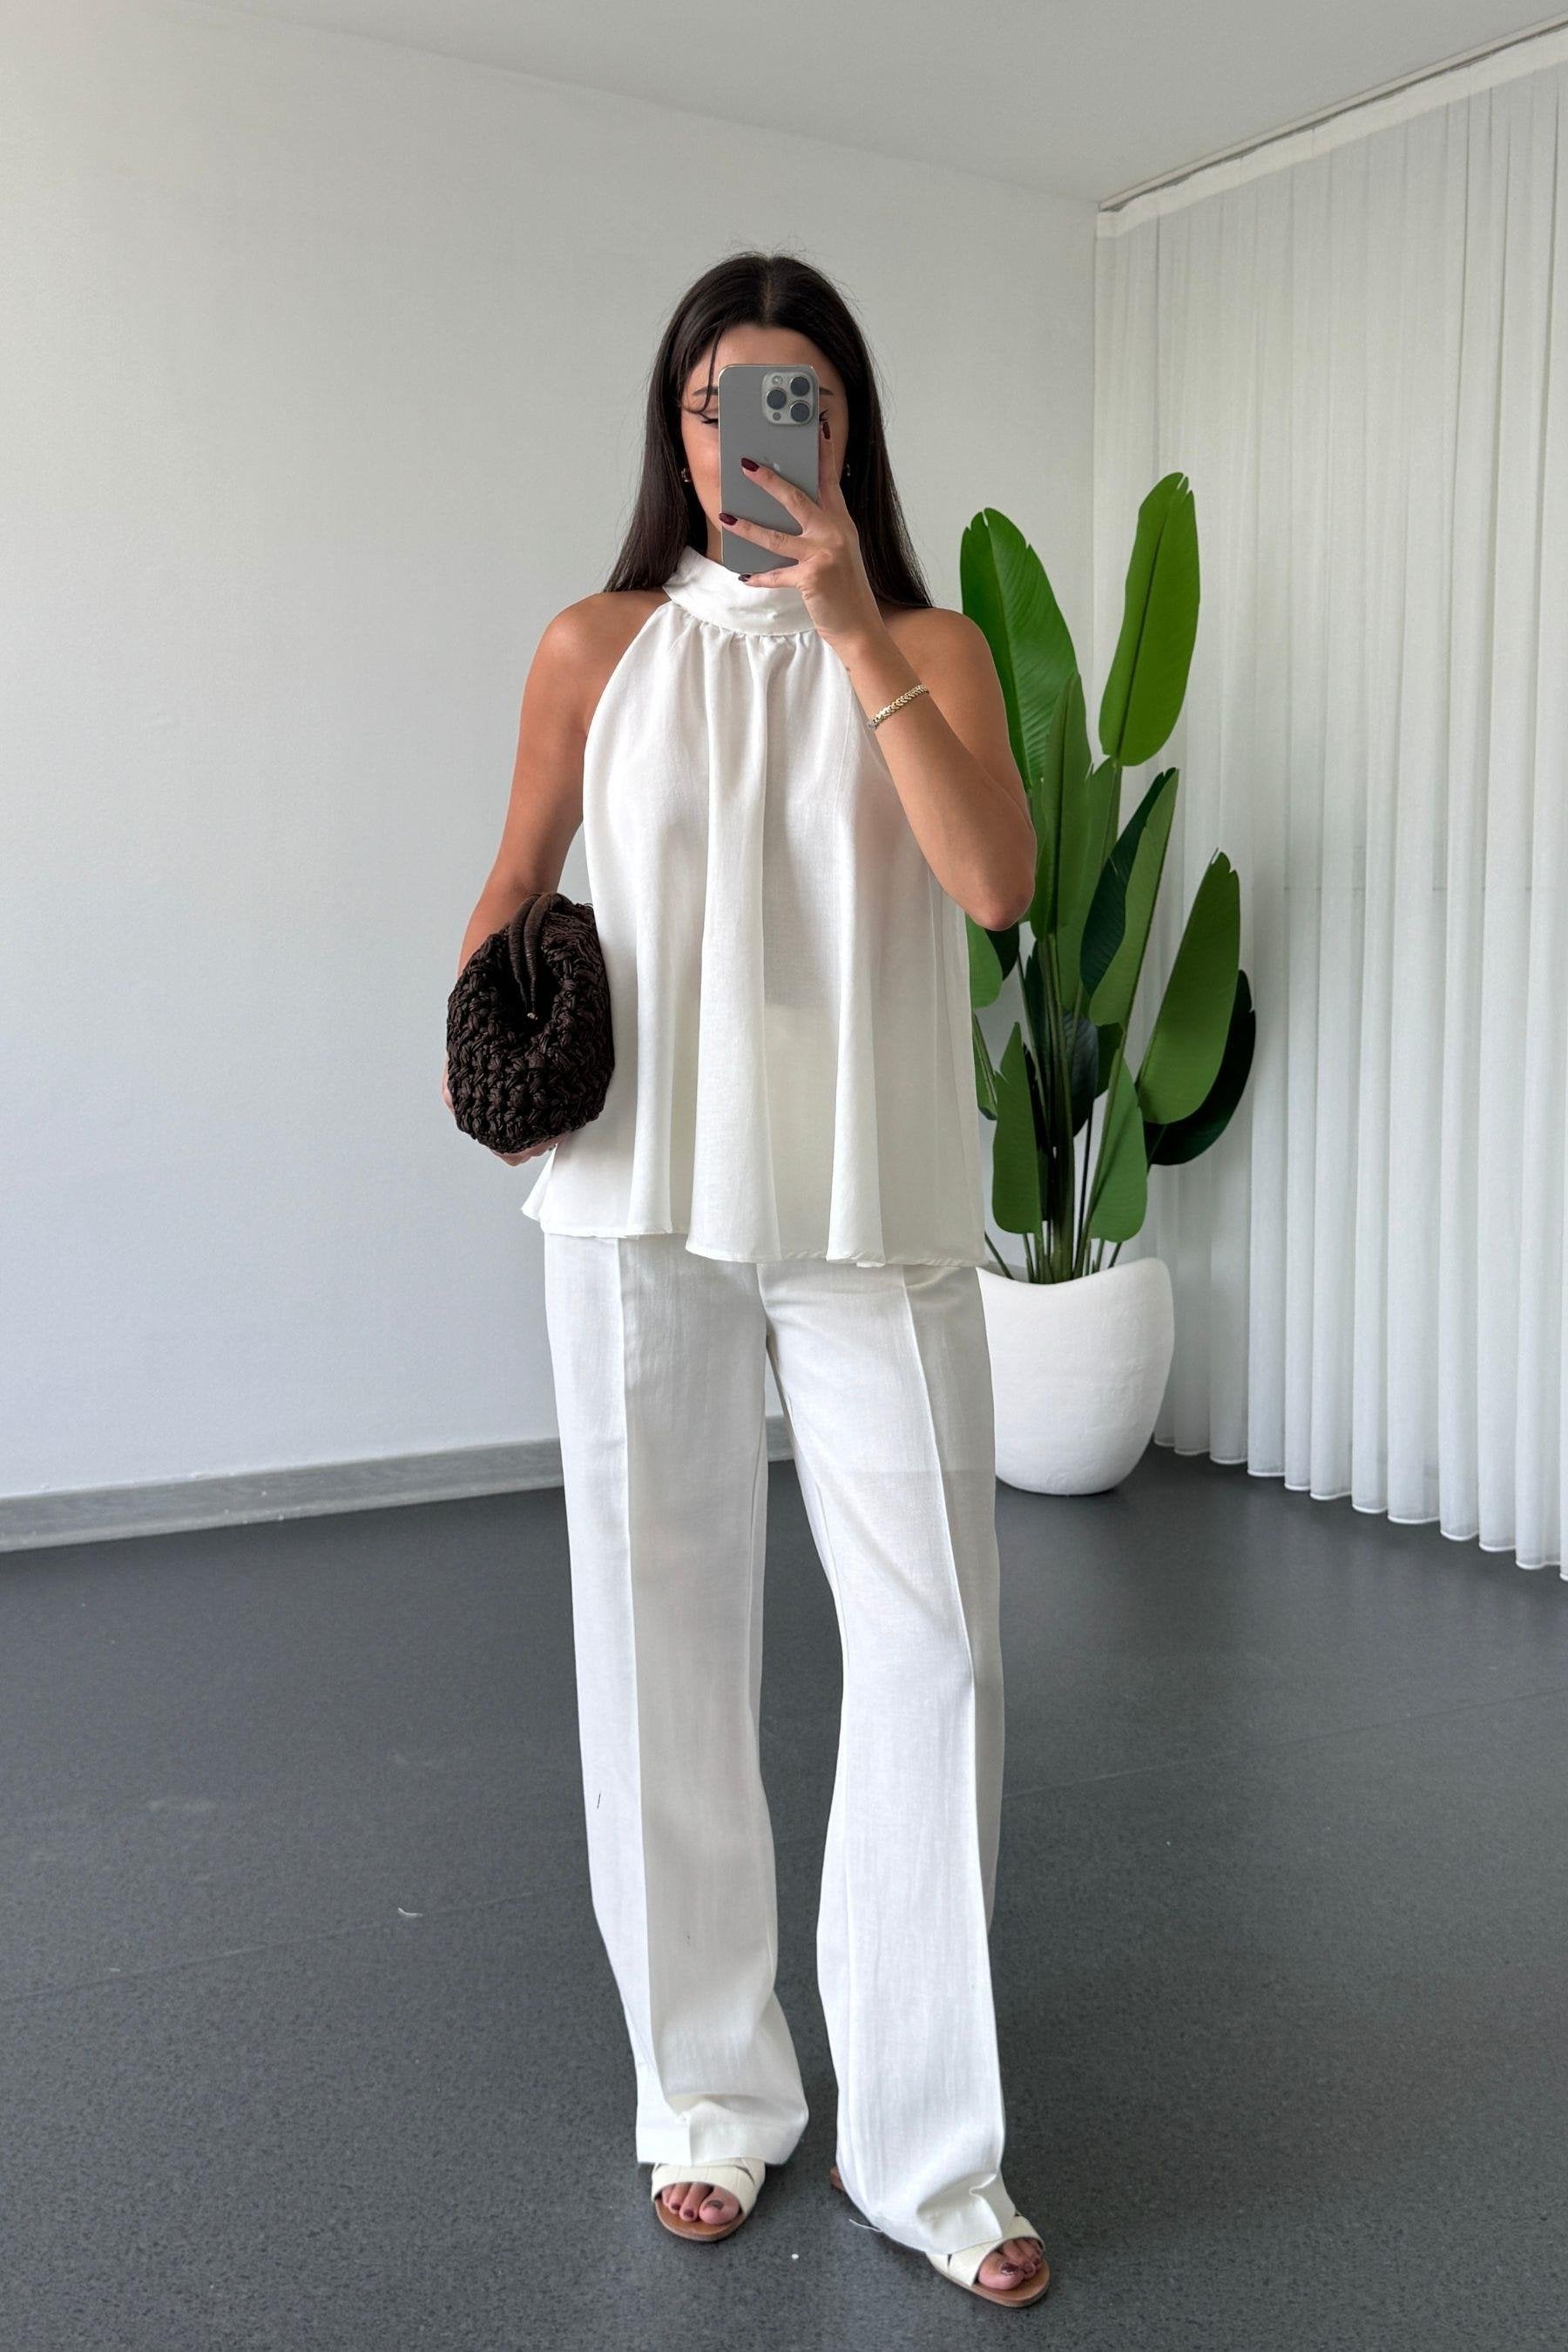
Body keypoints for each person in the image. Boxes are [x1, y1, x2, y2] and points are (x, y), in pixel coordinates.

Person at [444, 252, 1049, 2310]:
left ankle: (929, 2150)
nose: (751, 437)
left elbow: (993, 883)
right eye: (720, 403)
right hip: (636, 1198)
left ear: (847, 430)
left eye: (795, 401)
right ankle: (706, 2095)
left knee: (939, 1657)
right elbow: (516, 879)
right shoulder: (594, 644)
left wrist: (852, 620)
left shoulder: (932, 645)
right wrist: (488, 1058)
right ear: (676, 427)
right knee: (659, 1654)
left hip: (876, 1203)